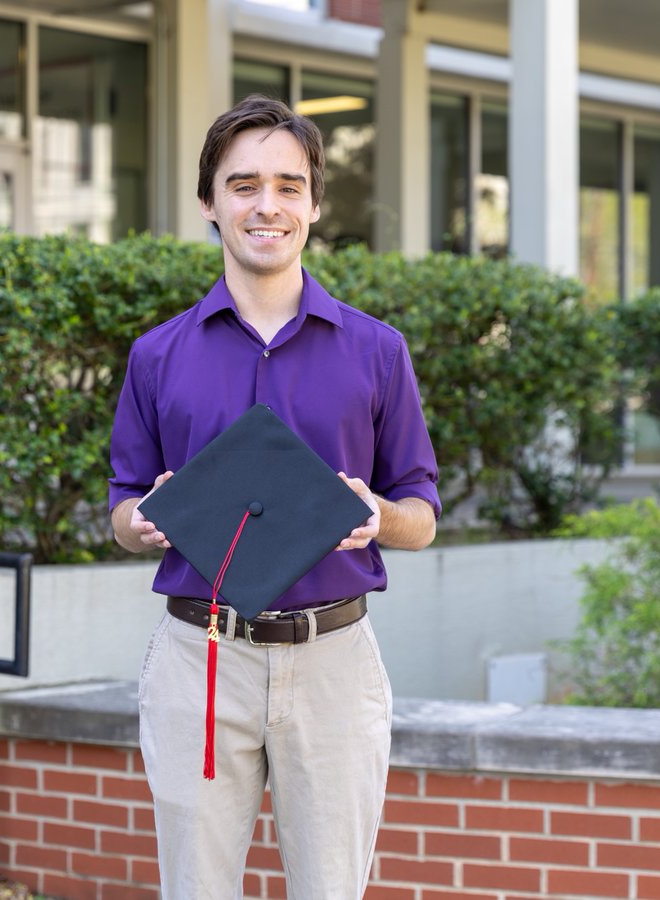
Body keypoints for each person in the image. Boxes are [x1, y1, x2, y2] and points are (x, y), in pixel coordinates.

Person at [108, 94, 440, 899]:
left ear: (314, 205)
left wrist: (377, 516)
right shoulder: (157, 357)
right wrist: (143, 521)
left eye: (289, 186)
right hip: (201, 660)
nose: (268, 205)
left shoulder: (376, 350)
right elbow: (120, 509)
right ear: (209, 203)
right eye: (244, 184)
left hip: (333, 663)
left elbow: (421, 515)